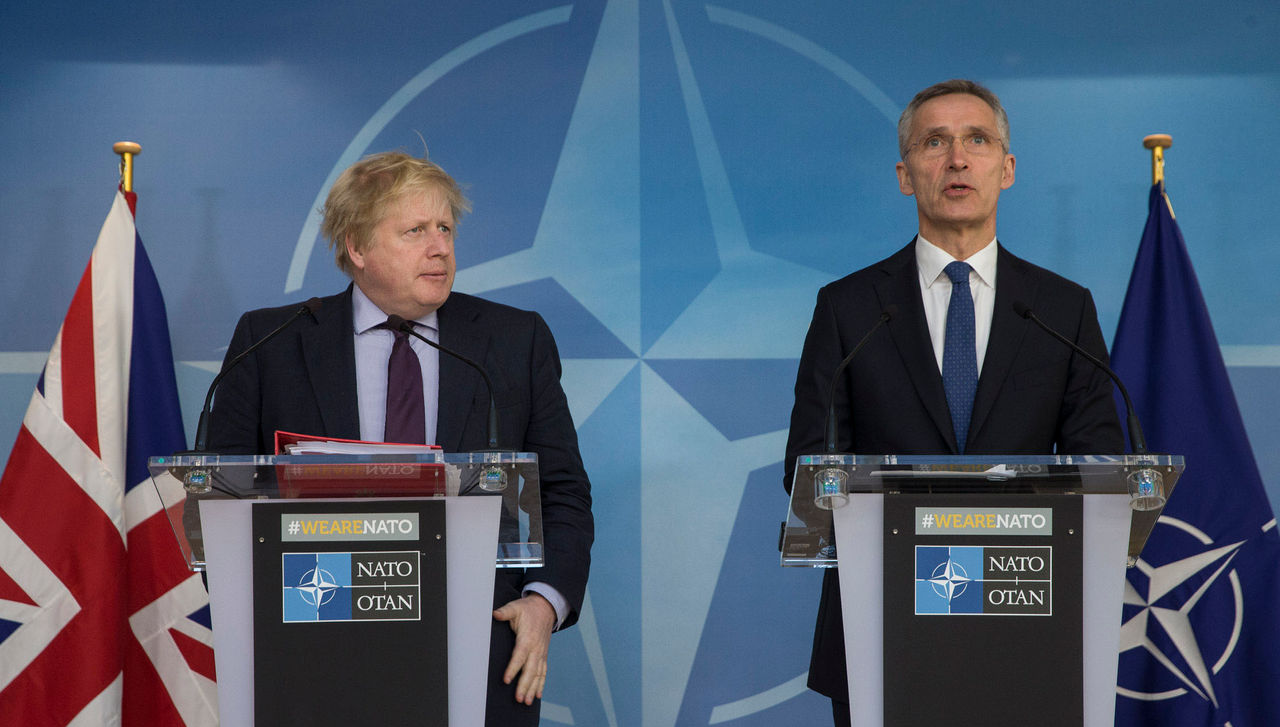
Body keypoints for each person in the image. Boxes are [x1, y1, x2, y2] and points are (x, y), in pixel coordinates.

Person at [207, 151, 594, 726]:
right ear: (357, 247)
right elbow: (219, 504)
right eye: (416, 231)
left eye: (445, 229)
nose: (440, 248)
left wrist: (544, 603)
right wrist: (259, 609)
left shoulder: (515, 340)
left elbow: (562, 491)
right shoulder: (272, 344)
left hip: (482, 650)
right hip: (313, 649)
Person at [782, 79, 1124, 725]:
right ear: (905, 175)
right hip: (881, 623)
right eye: (934, 142)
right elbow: (808, 465)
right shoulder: (850, 308)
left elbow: (1100, 464)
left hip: (1029, 616)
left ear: (1007, 168)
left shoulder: (1060, 309)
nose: (958, 159)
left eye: (977, 140)